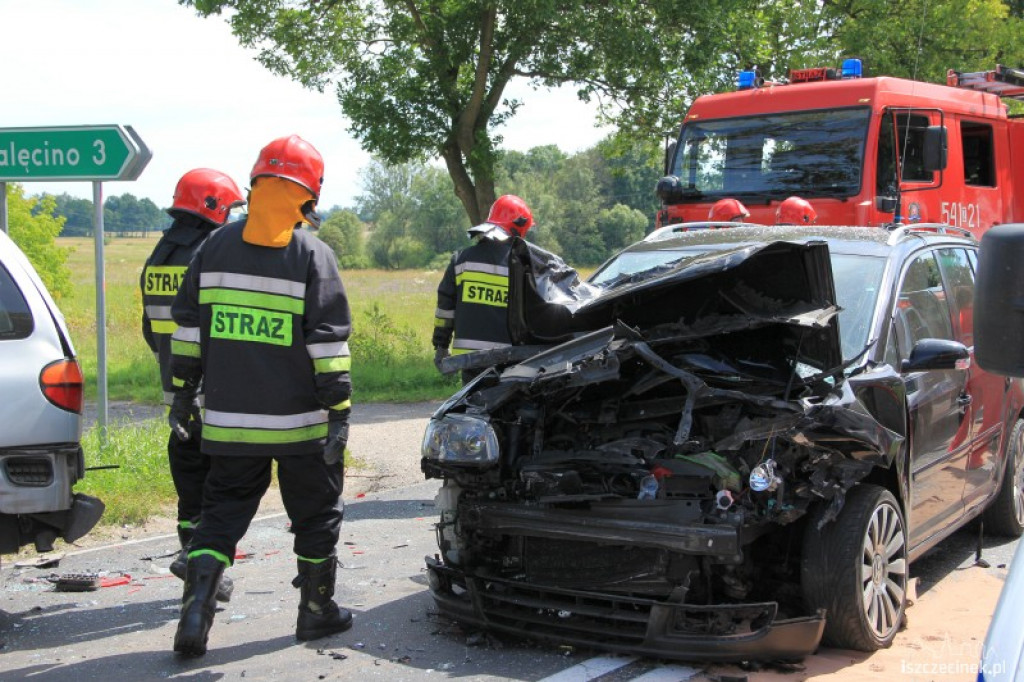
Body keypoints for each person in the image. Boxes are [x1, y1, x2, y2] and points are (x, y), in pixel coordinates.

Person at [169, 135, 354, 656]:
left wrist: (183, 394)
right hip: (303, 426)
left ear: (255, 183)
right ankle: (316, 613)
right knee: (317, 516)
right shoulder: (313, 255)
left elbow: (188, 329)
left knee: (220, 515)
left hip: (230, 423)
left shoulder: (213, 247)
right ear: (308, 193)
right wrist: (339, 412)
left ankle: (195, 616)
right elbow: (330, 346)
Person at [141, 168, 244, 603]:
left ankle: (191, 553)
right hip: (211, 389)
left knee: (189, 481)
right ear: (212, 205)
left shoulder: (158, 256)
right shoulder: (209, 253)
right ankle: (205, 564)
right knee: (222, 485)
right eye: (232, 207)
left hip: (176, 389)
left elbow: (150, 330)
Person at [432, 194, 533, 384]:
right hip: (511, 359)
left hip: (470, 360)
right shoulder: (524, 266)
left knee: (473, 410)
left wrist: (441, 345)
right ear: (519, 228)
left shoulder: (460, 260)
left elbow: (445, 310)